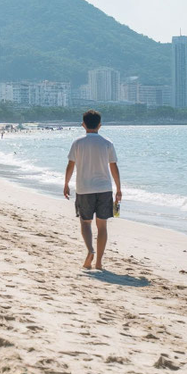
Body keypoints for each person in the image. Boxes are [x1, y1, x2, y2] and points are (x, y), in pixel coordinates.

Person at [62, 110, 122, 271]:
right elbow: (113, 167)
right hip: (104, 189)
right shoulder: (107, 143)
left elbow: (70, 165)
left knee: (85, 223)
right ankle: (99, 262)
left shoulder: (77, 143)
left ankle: (90, 250)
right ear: (100, 125)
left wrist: (66, 184)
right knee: (102, 226)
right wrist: (118, 188)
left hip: (84, 188)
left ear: (83, 125)